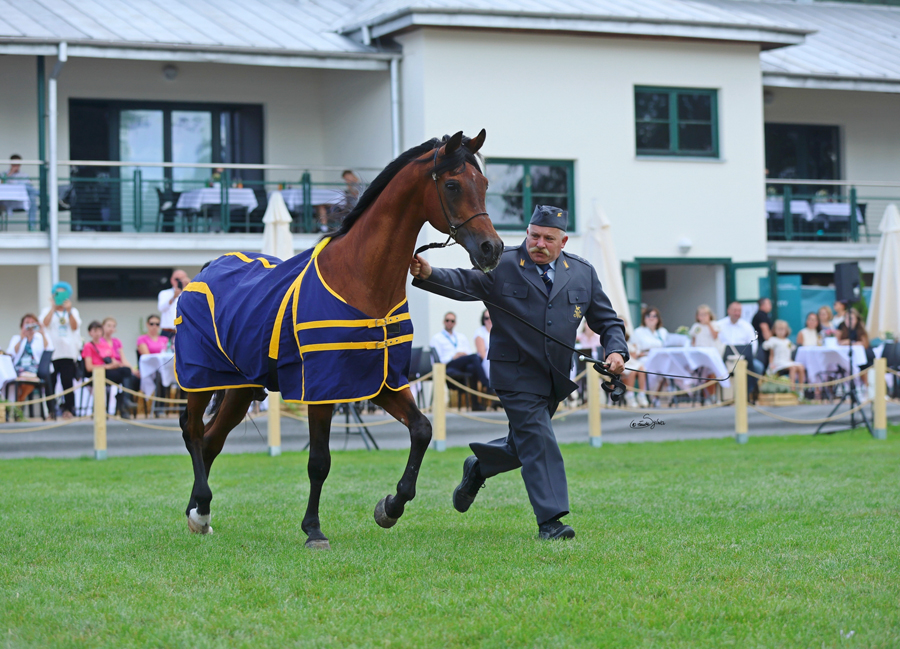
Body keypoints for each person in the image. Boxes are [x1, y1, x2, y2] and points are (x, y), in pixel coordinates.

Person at [410, 204, 628, 541]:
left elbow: (607, 320)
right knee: (539, 441)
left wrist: (615, 349)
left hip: (553, 377)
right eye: (534, 236)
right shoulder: (504, 263)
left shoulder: (582, 272)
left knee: (521, 445)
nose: (539, 244)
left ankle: (478, 467)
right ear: (527, 233)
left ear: (563, 241)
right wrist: (429, 274)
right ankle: (551, 521)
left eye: (547, 239)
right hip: (512, 374)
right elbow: (467, 282)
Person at [39, 281, 82, 419]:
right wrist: (53, 308)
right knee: (50, 383)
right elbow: (44, 324)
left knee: (67, 382)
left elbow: (75, 327)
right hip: (52, 353)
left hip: (68, 353)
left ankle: (69, 409)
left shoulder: (73, 311)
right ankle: (51, 410)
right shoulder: (47, 311)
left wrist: (68, 311)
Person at [82, 321, 137, 418]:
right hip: (98, 372)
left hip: (109, 371)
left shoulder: (106, 345)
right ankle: (123, 402)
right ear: (90, 332)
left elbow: (113, 360)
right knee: (125, 373)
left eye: (99, 331)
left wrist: (116, 364)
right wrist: (107, 366)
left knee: (127, 371)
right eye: (95, 331)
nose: (97, 333)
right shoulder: (88, 346)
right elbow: (89, 367)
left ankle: (124, 399)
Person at [429, 311, 490, 389]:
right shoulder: (437, 338)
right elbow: (437, 360)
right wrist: (453, 356)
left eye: (452, 321)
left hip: (462, 363)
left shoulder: (461, 337)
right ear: (443, 321)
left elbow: (469, 352)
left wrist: (463, 354)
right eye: (447, 320)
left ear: (455, 323)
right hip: (448, 364)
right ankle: (486, 384)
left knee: (472, 367)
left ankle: (474, 400)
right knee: (475, 357)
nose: (449, 323)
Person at [717, 302, 764, 399]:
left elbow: (753, 344)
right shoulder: (719, 325)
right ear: (728, 311)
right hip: (724, 360)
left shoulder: (747, 326)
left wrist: (748, 356)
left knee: (758, 367)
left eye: (739, 311)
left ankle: (745, 394)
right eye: (735, 310)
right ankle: (724, 397)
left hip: (744, 360)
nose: (737, 313)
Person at [5, 314, 50, 403]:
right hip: (18, 369)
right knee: (15, 379)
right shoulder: (17, 338)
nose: (30, 326)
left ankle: (20, 400)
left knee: (28, 378)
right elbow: (11, 353)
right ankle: (19, 402)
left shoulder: (40, 337)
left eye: (32, 323)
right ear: (22, 326)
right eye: (27, 323)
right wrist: (22, 338)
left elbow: (47, 350)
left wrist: (42, 333)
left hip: (34, 369)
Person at [763, 320, 806, 387]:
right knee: (793, 368)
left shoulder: (787, 341)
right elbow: (771, 355)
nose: (781, 331)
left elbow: (788, 355)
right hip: (778, 362)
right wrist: (771, 364)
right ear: (775, 330)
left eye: (783, 329)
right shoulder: (773, 340)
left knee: (801, 367)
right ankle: (792, 389)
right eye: (779, 329)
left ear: (786, 330)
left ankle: (801, 390)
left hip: (787, 362)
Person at [2, 154, 38, 230]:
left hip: (20, 198)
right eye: (14, 164)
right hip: (7, 199)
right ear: (10, 164)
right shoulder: (4, 174)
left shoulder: (24, 175)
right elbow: (2, 184)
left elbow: (28, 186)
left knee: (32, 199)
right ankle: (43, 194)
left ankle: (32, 226)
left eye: (18, 164)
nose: (16, 166)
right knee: (32, 191)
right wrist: (10, 173)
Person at [158, 269, 190, 339]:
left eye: (182, 279)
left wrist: (190, 285)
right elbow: (161, 308)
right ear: (171, 280)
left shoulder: (189, 294)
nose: (179, 281)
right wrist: (173, 297)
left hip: (183, 331)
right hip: (167, 331)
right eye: (177, 279)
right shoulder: (164, 293)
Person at [473, 309, 491, 382]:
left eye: (491, 317)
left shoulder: (499, 331)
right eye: (486, 318)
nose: (489, 320)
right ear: (483, 320)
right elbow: (482, 353)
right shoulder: (480, 331)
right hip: (487, 359)